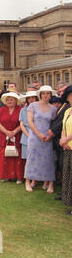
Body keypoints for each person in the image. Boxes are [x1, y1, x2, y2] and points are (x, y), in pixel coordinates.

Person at [24, 86, 57, 193]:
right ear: (40, 95)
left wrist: (50, 136)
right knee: (31, 158)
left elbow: (54, 124)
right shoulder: (33, 106)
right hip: (34, 136)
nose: (46, 95)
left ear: (51, 95)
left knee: (48, 159)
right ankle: (28, 181)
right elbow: (30, 121)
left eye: (48, 93)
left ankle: (50, 182)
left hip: (47, 138)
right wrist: (38, 134)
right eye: (43, 93)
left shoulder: (53, 109)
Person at [0, 92, 24, 182]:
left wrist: (14, 131)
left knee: (17, 156)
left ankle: (18, 176)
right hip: (4, 136)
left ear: (16, 101)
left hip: (17, 135)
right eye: (7, 100)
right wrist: (6, 132)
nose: (9, 101)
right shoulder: (1, 110)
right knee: (5, 156)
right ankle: (6, 175)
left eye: (11, 99)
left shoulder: (20, 109)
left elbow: (22, 123)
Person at [59, 85, 72, 215]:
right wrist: (63, 139)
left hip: (70, 144)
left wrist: (66, 139)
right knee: (68, 175)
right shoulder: (68, 111)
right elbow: (64, 126)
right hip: (67, 147)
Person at [19, 91, 39, 176]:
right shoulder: (23, 110)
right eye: (29, 98)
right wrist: (28, 135)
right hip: (26, 136)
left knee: (37, 159)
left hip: (38, 135)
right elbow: (21, 124)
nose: (31, 100)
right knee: (28, 159)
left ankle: (37, 177)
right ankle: (29, 177)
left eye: (33, 98)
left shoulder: (40, 109)